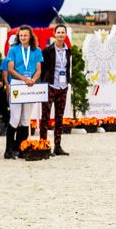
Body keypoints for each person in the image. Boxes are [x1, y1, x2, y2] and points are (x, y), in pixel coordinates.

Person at [4, 25, 43, 159]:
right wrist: (24, 79)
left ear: (30, 36)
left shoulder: (37, 50)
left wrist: (33, 79)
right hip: (17, 83)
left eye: (25, 35)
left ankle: (21, 148)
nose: (23, 38)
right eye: (21, 35)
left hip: (30, 85)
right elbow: (11, 69)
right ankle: (8, 150)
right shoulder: (13, 50)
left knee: (25, 119)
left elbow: (38, 69)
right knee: (15, 118)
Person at [40, 24, 72, 156]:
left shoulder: (68, 50)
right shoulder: (47, 50)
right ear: (54, 34)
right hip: (50, 86)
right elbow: (42, 69)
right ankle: (43, 145)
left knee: (59, 118)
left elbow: (66, 67)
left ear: (65, 34)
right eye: (58, 32)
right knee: (45, 117)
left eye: (62, 32)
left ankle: (57, 146)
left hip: (63, 87)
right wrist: (44, 83)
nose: (60, 35)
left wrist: (67, 82)